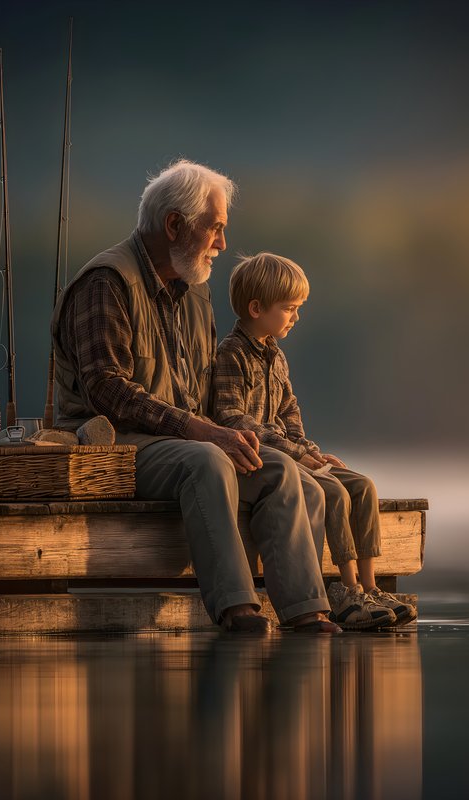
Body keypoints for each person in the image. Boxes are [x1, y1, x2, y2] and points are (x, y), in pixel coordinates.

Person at [50, 160, 340, 634]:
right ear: (174, 226)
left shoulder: (195, 292)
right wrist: (201, 431)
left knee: (282, 470)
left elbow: (207, 398)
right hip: (118, 446)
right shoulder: (106, 282)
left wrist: (260, 441)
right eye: (216, 229)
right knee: (206, 461)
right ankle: (237, 609)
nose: (223, 245)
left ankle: (307, 611)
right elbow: (105, 388)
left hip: (190, 440)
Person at [211, 252, 417, 629]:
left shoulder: (277, 356)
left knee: (362, 486)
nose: (296, 317)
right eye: (290, 308)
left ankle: (369, 588)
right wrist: (295, 455)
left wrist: (311, 451)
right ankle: (345, 590)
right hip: (266, 462)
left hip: (295, 456)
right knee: (334, 494)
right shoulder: (230, 355)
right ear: (256, 308)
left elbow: (290, 412)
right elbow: (231, 417)